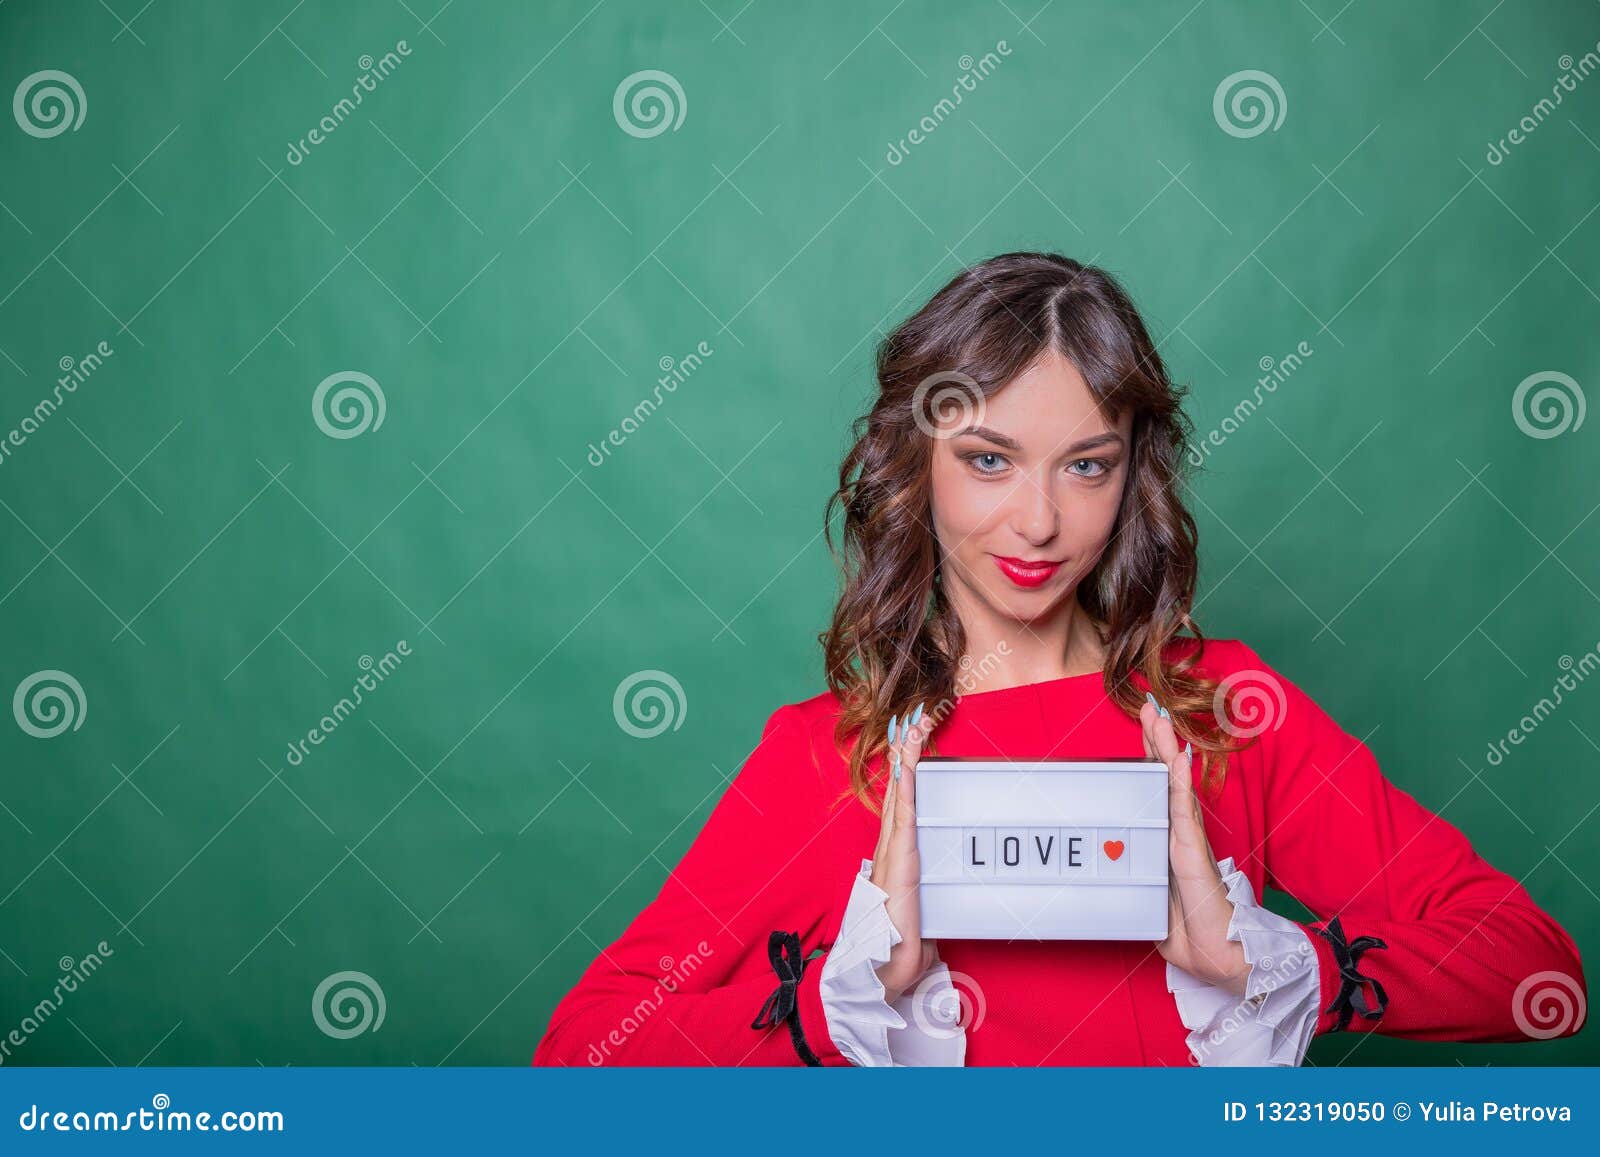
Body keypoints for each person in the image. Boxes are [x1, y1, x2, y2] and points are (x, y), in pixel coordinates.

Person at [531, 251, 1587, 1066]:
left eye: (1085, 464)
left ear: (1133, 478)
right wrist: (831, 1006)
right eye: (988, 460)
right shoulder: (832, 755)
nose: (1037, 520)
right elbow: (580, 1055)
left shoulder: (1224, 710)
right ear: (917, 467)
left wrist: (1295, 965)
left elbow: (1538, 968)